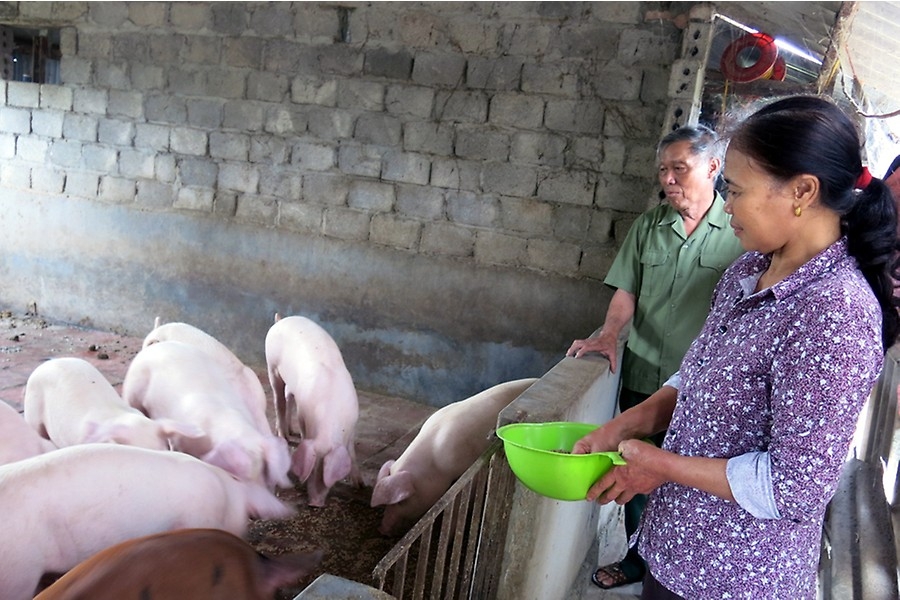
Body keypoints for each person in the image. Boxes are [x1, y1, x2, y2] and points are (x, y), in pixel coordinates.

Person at [573, 95, 900, 599]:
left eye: (738, 190)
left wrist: (661, 466)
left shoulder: (836, 313)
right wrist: (625, 424)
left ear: (802, 192)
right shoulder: (749, 271)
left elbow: (796, 487)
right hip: (675, 549)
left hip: (737, 576)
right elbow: (697, 374)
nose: (727, 206)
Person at [566, 125, 744, 589]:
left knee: (684, 474)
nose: (668, 179)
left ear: (712, 167)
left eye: (679, 168)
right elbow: (627, 292)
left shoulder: (741, 231)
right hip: (646, 372)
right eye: (663, 170)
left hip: (701, 387)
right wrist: (608, 336)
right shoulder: (649, 226)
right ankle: (636, 559)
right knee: (634, 466)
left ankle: (675, 564)